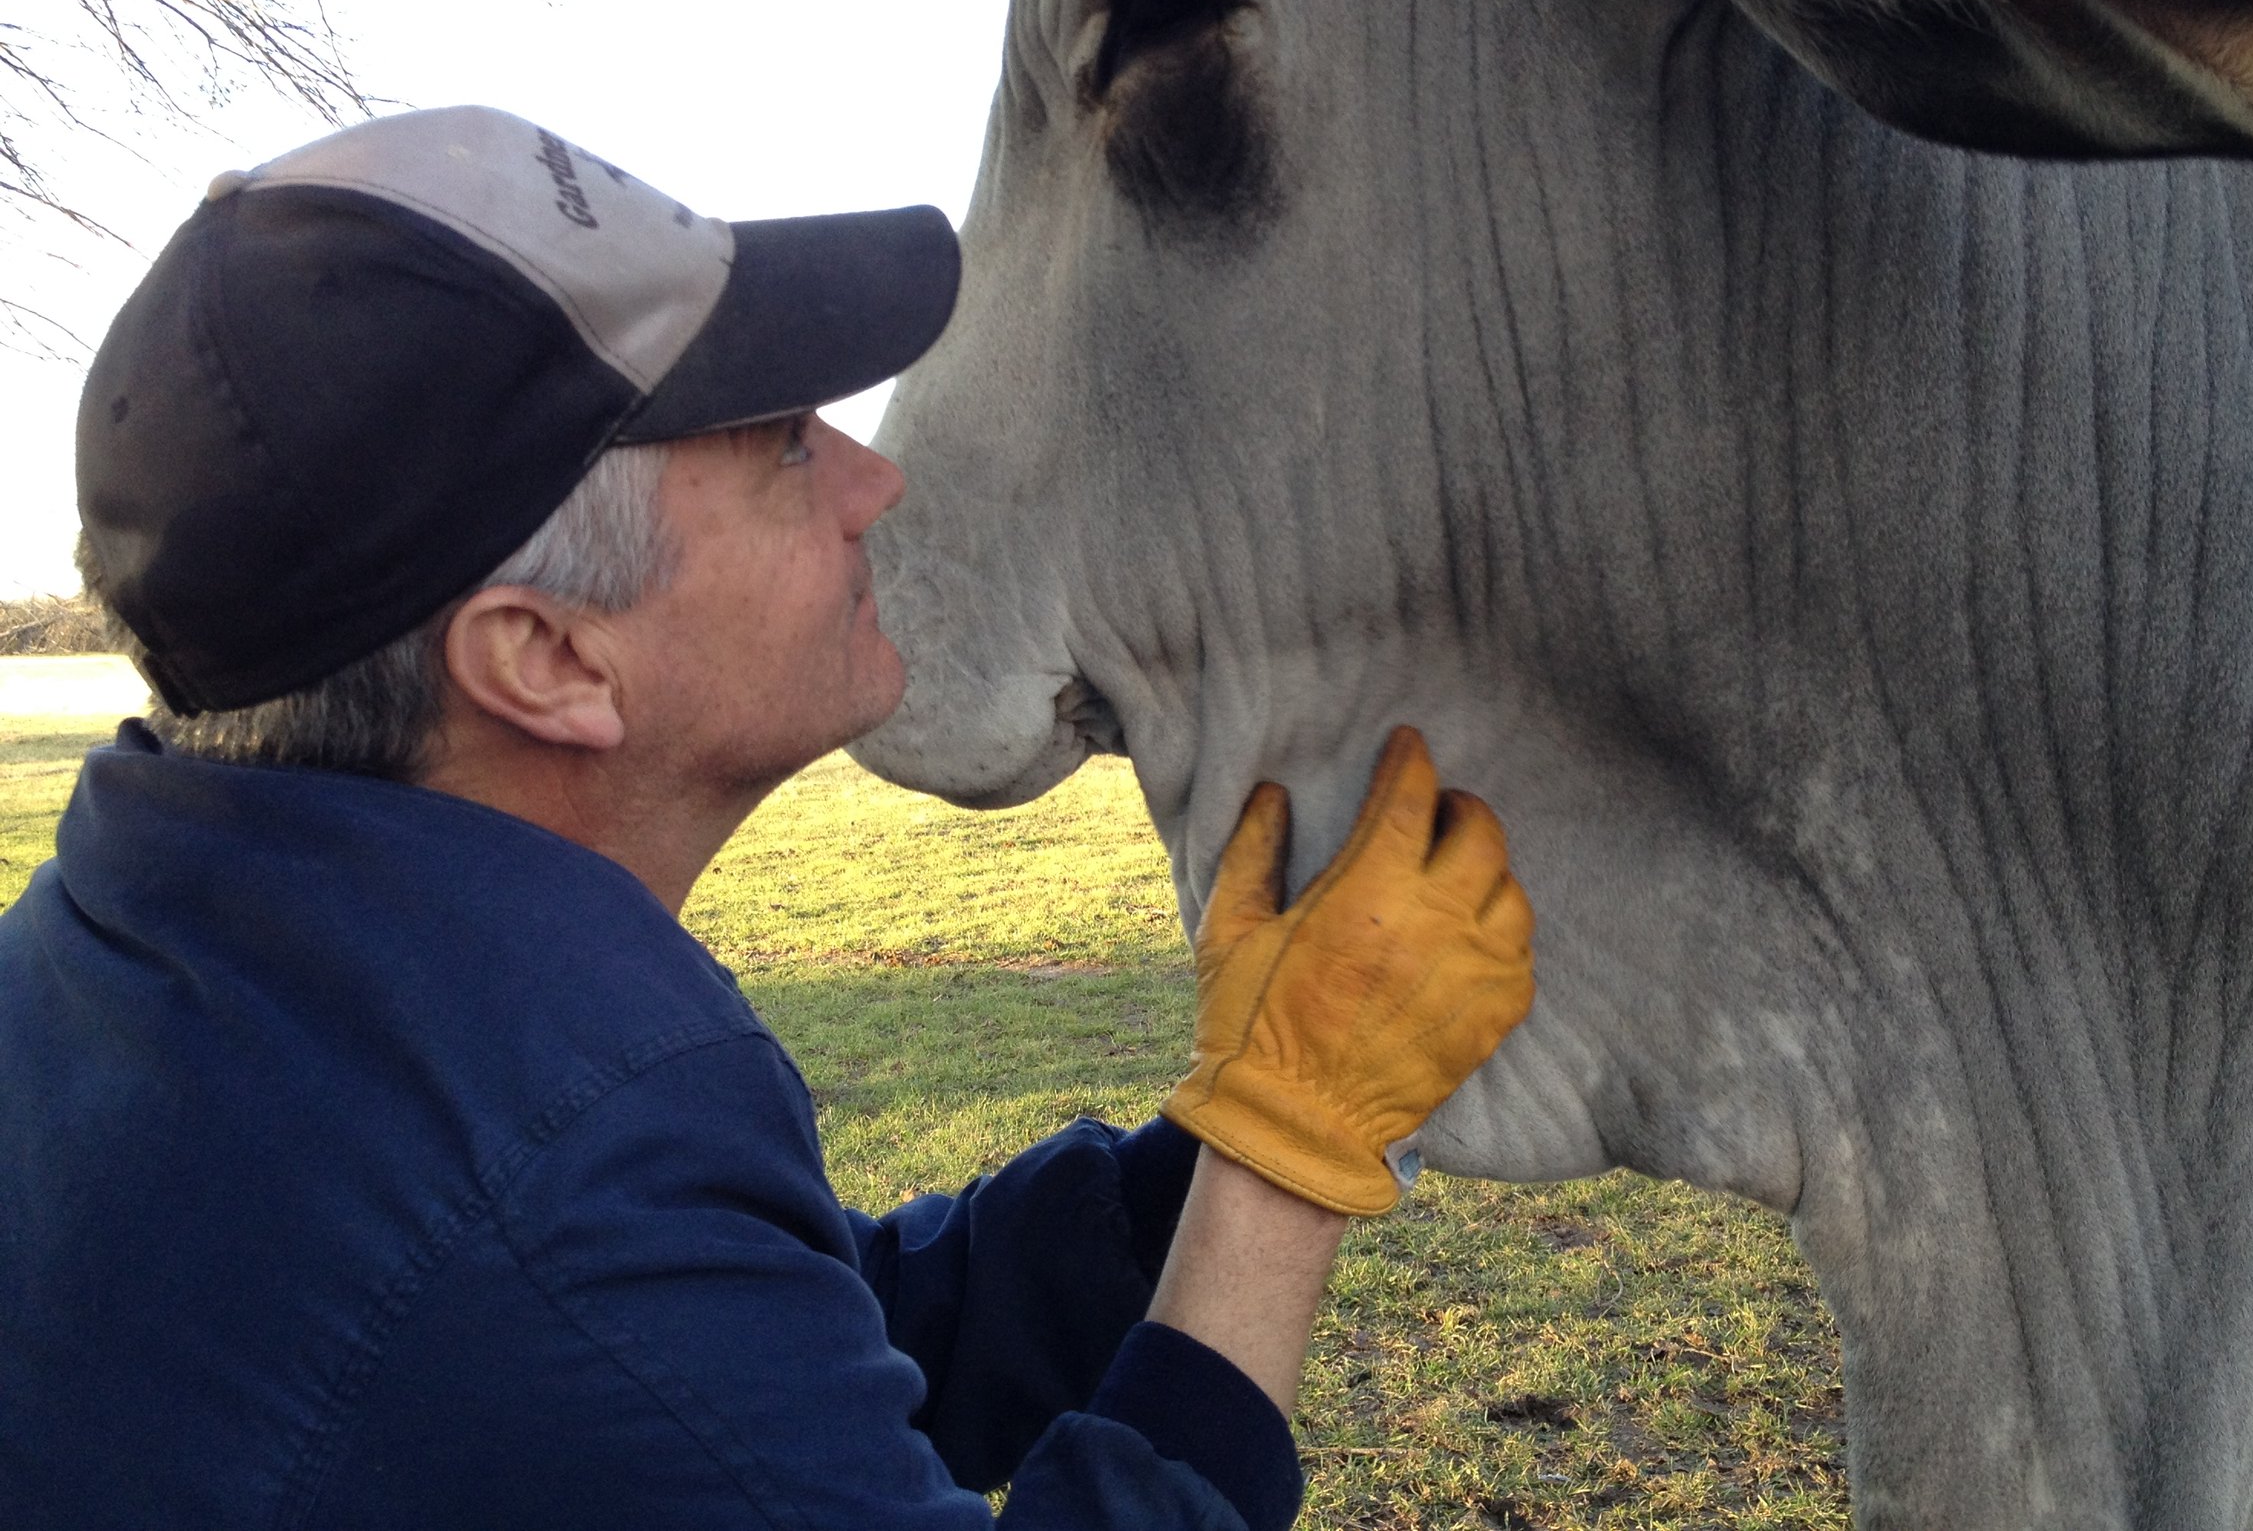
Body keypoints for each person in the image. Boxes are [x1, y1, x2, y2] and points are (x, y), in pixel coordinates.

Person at [0, 107, 1537, 1529]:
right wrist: (1283, 1159)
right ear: (548, 658)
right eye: (788, 446)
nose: (876, 482)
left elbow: (764, 1358)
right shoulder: (534, 1159)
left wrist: (1211, 1140)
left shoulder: (172, 959)